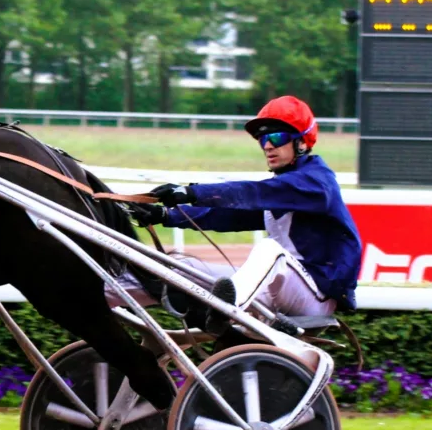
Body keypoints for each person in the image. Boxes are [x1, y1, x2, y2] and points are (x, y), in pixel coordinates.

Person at [113, 95, 362, 333]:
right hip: (284, 286)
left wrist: (190, 192)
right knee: (183, 268)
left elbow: (251, 192)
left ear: (302, 141)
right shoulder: (284, 188)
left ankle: (226, 312)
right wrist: (166, 215)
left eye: (276, 137)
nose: (267, 146)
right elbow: (228, 215)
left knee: (269, 250)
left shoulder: (317, 183)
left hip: (315, 295)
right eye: (262, 140)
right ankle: (102, 295)